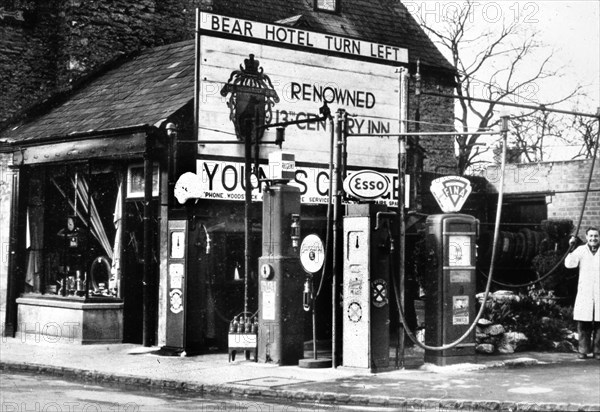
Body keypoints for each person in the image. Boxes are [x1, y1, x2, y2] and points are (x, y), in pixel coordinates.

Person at [565, 227, 600, 360]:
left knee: (599, 323)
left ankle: (598, 351)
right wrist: (571, 248)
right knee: (584, 323)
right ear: (586, 237)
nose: (593, 239)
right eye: (591, 236)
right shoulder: (580, 250)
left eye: (596, 236)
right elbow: (569, 264)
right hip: (585, 290)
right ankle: (583, 350)